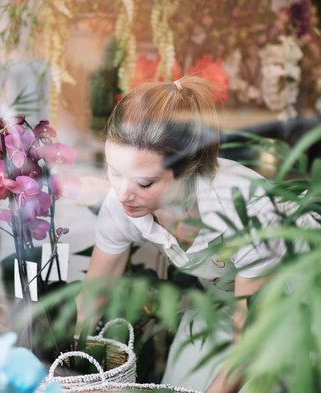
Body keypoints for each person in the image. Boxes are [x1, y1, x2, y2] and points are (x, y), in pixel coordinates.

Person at [76, 76, 287, 393]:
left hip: (290, 308)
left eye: (144, 183)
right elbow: (93, 295)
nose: (123, 193)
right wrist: (74, 364)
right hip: (220, 307)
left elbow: (252, 338)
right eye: (114, 171)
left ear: (188, 169)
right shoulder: (122, 202)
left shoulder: (243, 205)